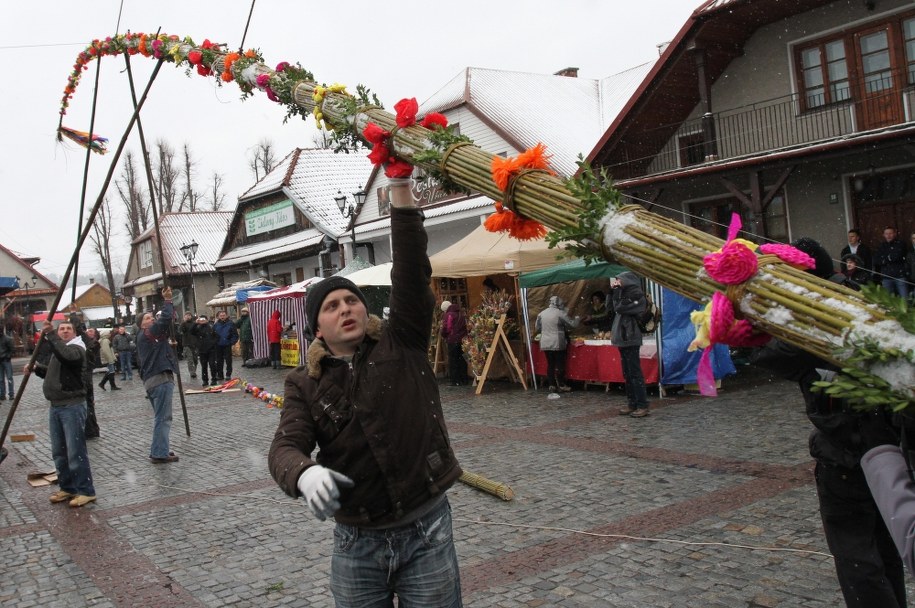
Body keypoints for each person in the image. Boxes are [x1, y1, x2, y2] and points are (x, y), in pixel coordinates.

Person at [268, 179, 463, 607]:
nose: (345, 308)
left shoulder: (402, 340)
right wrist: (303, 473)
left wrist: (400, 188)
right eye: (332, 306)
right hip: (357, 542)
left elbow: (410, 272)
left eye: (351, 300)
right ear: (318, 328)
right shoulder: (304, 382)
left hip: (427, 529)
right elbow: (285, 446)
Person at [753, 237, 907, 607]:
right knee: (884, 545)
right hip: (887, 446)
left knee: (856, 555)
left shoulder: (817, 317)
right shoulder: (860, 300)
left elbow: (772, 357)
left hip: (847, 451)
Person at [24, 320, 97, 507]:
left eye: (68, 329)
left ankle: (85, 490)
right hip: (56, 406)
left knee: (75, 451)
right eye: (61, 329)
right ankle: (68, 487)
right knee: (59, 451)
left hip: (72, 406)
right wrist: (37, 369)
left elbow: (68, 358)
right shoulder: (61, 350)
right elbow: (54, 374)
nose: (65, 331)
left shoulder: (77, 349)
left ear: (74, 333)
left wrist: (51, 335)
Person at [136, 287, 179, 464]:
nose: (151, 319)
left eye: (152, 317)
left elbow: (167, 325)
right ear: (141, 325)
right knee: (163, 418)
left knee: (161, 417)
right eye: (147, 318)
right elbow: (166, 319)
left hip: (153, 380)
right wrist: (168, 300)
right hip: (159, 379)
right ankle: (159, 452)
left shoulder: (148, 337)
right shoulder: (148, 333)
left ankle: (161, 448)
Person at [609, 272, 651, 417]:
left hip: (631, 337)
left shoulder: (636, 294)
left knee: (635, 373)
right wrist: (612, 293)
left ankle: (642, 404)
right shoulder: (623, 294)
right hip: (623, 338)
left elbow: (619, 308)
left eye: (619, 279)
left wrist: (617, 292)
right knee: (627, 373)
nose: (617, 282)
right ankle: (632, 403)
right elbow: (612, 307)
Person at [535, 295, 580, 393]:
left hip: (545, 342)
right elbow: (573, 324)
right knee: (560, 364)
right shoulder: (560, 313)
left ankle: (551, 384)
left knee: (550, 364)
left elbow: (537, 328)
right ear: (559, 304)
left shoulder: (541, 313)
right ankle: (561, 384)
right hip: (557, 342)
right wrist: (577, 318)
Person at [874, 226, 909, 299]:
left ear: (895, 234)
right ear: (883, 235)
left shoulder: (901, 244)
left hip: (900, 276)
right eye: (886, 234)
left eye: (890, 233)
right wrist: (888, 258)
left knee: (904, 299)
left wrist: (885, 258)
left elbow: (897, 256)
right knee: (888, 300)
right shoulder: (881, 245)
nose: (888, 235)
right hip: (886, 277)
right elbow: (877, 260)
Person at [79, 324, 101, 439]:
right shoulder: (87, 343)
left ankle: (91, 430)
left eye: (91, 331)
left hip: (86, 376)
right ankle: (91, 429)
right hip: (86, 376)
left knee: (88, 404)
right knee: (88, 404)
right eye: (88, 331)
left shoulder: (94, 344)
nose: (88, 332)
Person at [441, 300, 469, 386]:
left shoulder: (449, 315)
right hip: (462, 340)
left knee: (453, 360)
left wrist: (443, 334)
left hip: (453, 340)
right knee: (462, 359)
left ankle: (455, 380)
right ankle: (464, 379)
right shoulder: (461, 314)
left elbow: (447, 328)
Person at [191, 315, 217, 386]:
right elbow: (191, 331)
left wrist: (212, 343)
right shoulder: (197, 328)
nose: (202, 321)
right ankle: (205, 380)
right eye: (201, 320)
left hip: (211, 350)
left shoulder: (211, 327)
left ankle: (214, 379)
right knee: (204, 366)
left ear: (206, 320)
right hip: (202, 350)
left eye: (203, 320)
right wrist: (195, 323)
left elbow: (216, 336)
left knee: (212, 365)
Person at [212, 310, 239, 382]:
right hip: (218, 345)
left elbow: (235, 334)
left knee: (228, 361)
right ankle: (220, 375)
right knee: (219, 361)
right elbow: (213, 335)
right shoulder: (216, 325)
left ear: (226, 316)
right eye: (221, 316)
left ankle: (228, 374)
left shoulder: (231, 323)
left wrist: (231, 342)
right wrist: (215, 342)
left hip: (227, 344)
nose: (222, 317)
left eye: (223, 315)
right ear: (218, 316)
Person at [179, 312, 198, 379]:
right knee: (190, 359)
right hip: (187, 344)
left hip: (194, 344)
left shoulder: (194, 324)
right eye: (186, 315)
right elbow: (181, 331)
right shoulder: (183, 324)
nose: (188, 316)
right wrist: (183, 323)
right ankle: (192, 372)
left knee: (195, 359)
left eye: (189, 315)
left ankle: (194, 370)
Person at [0, 330, 14, 400]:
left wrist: (8, 356)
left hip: (6, 360)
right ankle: (2, 394)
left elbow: (12, 349)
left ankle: (11, 394)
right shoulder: (7, 338)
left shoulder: (7, 339)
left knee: (9, 377)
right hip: (2, 361)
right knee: (1, 379)